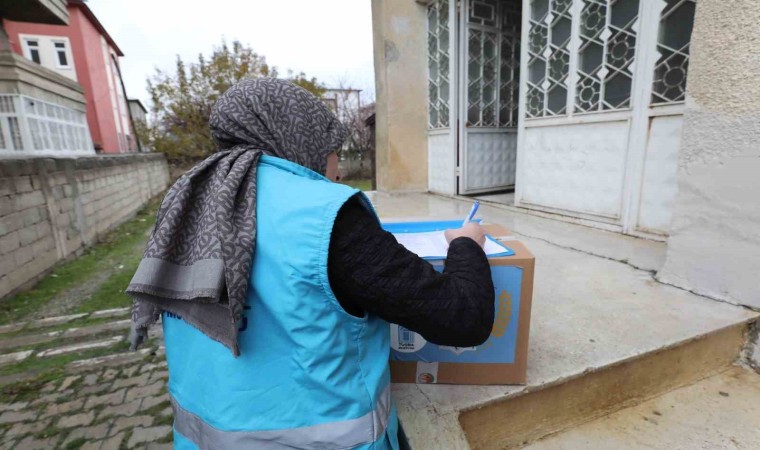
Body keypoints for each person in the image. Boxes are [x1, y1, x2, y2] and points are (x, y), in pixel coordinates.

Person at [126, 78, 495, 450]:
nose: (336, 169)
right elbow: (462, 318)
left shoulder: (188, 199)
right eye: (333, 150)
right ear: (301, 138)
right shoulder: (325, 214)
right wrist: (466, 245)